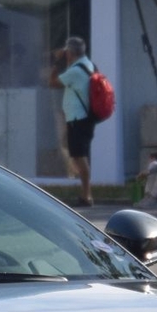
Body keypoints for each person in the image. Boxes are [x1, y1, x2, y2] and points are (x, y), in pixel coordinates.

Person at [54, 38, 96, 205]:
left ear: (70, 52)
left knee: (80, 156)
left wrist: (57, 61)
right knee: (75, 153)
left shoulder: (76, 70)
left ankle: (87, 195)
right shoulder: (86, 64)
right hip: (80, 118)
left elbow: (53, 82)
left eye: (66, 52)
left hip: (78, 119)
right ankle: (85, 192)